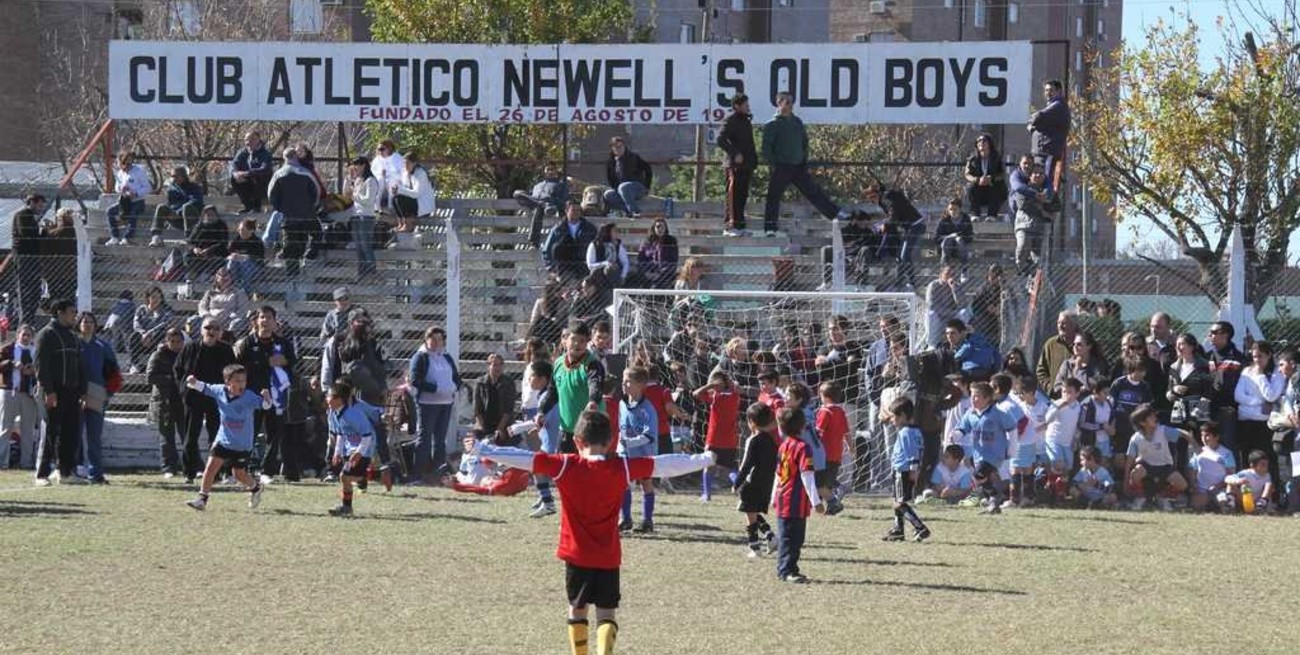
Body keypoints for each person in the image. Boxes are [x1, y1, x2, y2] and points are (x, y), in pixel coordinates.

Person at [467, 410, 713, 654]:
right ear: (610, 442)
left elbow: (525, 458)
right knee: (606, 612)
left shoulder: (565, 465)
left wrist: (483, 449)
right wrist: (704, 459)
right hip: (608, 556)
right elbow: (665, 465)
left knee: (577, 609)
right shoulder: (622, 467)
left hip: (576, 555)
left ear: (577, 441)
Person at [183, 364, 271, 510]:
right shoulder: (219, 391)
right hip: (223, 440)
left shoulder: (249, 396)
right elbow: (205, 388)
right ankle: (202, 499)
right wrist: (193, 382)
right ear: (227, 382)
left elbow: (266, 406)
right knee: (211, 468)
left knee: (238, 474)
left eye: (243, 380)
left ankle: (255, 488)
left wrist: (267, 397)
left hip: (242, 444)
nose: (241, 384)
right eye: (237, 380)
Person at [761, 92, 845, 236]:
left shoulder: (797, 122)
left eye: (791, 102)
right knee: (773, 197)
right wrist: (775, 163)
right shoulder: (772, 125)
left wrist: (803, 159)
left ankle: (835, 214)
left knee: (813, 191)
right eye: (786, 102)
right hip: (782, 166)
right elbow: (766, 149)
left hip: (798, 166)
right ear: (779, 103)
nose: (789, 105)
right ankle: (770, 228)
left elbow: (804, 142)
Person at [234, 306, 299, 483]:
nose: (265, 321)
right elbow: (239, 366)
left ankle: (267, 471)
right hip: (252, 396)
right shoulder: (247, 342)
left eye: (269, 317)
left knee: (274, 434)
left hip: (276, 396)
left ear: (275, 321)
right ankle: (241, 469)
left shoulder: (283, 343)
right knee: (248, 433)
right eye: (262, 317)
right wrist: (265, 362)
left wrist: (283, 361)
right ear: (256, 320)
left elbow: (292, 363)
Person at [175, 317, 236, 483]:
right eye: (208, 327)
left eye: (216, 328)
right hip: (193, 398)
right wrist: (184, 390)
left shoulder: (226, 350)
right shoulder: (190, 348)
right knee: (191, 437)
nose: (212, 331)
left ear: (220, 332)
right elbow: (178, 370)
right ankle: (189, 473)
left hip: (217, 399)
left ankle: (215, 473)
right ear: (201, 330)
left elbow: (233, 373)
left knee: (217, 437)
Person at [33, 300, 85, 486]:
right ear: (60, 313)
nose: (75, 315)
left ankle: (64, 472)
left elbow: (79, 366)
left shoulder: (72, 336)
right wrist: (49, 391)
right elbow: (41, 367)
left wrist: (82, 392)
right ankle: (41, 474)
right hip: (53, 391)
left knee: (70, 433)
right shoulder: (46, 335)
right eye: (72, 312)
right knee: (50, 433)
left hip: (72, 393)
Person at [772, 407, 825, 583]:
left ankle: (791, 568)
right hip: (793, 500)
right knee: (791, 538)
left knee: (793, 537)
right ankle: (785, 571)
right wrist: (816, 500)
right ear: (803, 426)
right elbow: (806, 475)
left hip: (784, 499)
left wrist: (773, 497)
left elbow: (778, 474)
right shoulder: (803, 447)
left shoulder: (783, 446)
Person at [537, 322, 605, 455]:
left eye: (582, 341)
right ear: (565, 340)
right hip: (567, 430)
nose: (577, 344)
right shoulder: (558, 364)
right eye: (574, 339)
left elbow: (595, 385)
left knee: (589, 472)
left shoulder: (592, 364)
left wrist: (592, 401)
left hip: (591, 430)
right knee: (565, 471)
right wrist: (541, 411)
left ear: (587, 343)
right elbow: (553, 392)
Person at [951, 381, 1017, 514]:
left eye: (977, 396)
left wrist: (1012, 448)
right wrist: (955, 436)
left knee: (978, 476)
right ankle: (994, 501)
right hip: (978, 455)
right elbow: (963, 429)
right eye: (972, 396)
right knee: (980, 478)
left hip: (995, 454)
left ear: (987, 399)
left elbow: (1012, 428)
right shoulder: (970, 413)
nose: (973, 399)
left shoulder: (997, 413)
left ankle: (994, 497)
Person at [408, 326, 461, 482]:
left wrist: (454, 387)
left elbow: (456, 378)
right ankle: (417, 474)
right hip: (427, 404)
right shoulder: (420, 357)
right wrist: (435, 388)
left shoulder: (447, 357)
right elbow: (415, 380)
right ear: (426, 339)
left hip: (446, 404)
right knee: (424, 440)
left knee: (440, 441)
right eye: (433, 338)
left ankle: (438, 474)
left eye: (439, 339)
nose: (436, 342)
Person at [1233, 340, 1284, 488]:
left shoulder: (1275, 374)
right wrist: (1258, 403)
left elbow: (1271, 396)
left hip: (1264, 424)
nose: (1257, 360)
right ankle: (1246, 492)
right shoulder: (1247, 371)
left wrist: (1261, 376)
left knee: (1267, 458)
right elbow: (1238, 396)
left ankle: (1272, 494)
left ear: (1269, 355)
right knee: (1246, 457)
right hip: (1245, 421)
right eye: (1254, 356)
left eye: (1260, 356)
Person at [325, 378, 378, 516]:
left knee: (345, 477)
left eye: (331, 397)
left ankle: (346, 507)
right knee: (348, 477)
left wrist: (360, 452)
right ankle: (377, 475)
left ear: (340, 399)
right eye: (328, 396)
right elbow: (341, 434)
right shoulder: (336, 413)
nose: (328, 399)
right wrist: (337, 452)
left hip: (364, 450)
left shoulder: (352, 414)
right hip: (352, 449)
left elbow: (367, 435)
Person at [77, 312, 119, 484]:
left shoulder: (103, 346)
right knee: (75, 433)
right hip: (75, 393)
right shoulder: (73, 344)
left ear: (95, 325)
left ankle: (96, 473)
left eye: (90, 322)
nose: (87, 325)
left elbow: (114, 373)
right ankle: (75, 469)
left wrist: (107, 393)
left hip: (96, 393)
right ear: (78, 324)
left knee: (94, 435)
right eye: (84, 321)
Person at [881, 397, 931, 541]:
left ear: (902, 416)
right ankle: (898, 530)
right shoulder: (916, 431)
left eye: (894, 416)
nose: (892, 420)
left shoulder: (906, 433)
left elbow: (912, 453)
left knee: (899, 503)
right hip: (903, 470)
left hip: (903, 471)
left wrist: (913, 470)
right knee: (897, 501)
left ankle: (920, 527)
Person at [1124, 405, 1191, 511]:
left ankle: (1163, 497)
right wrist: (1126, 481)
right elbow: (1129, 460)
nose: (1155, 418)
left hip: (1165, 467)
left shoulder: (1163, 430)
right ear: (1142, 423)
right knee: (1135, 473)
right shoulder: (1135, 438)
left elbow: (1183, 434)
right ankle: (1141, 498)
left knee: (1182, 484)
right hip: (1147, 468)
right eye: (1150, 417)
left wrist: (1196, 447)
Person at [616, 366, 659, 533]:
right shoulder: (622, 403)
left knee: (646, 483)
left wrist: (630, 442)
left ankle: (647, 521)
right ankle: (625, 518)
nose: (624, 384)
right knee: (623, 484)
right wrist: (622, 444)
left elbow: (650, 436)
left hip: (643, 454)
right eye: (623, 380)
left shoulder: (648, 409)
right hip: (625, 452)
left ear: (641, 385)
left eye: (628, 381)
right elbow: (622, 426)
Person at [267, 147, 320, 278]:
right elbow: (316, 193)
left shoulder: (278, 174)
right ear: (296, 157)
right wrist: (310, 207)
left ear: (284, 158)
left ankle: (292, 278)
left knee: (291, 248)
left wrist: (281, 208)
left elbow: (271, 195)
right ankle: (309, 256)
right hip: (307, 215)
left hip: (288, 217)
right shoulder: (306, 173)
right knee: (316, 234)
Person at [735, 402, 779, 557]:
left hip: (752, 482)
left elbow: (747, 465)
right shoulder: (772, 442)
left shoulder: (752, 440)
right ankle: (771, 537)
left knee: (749, 514)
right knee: (751, 511)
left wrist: (737, 482)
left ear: (751, 422)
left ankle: (754, 547)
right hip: (766, 482)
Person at [866, 180, 925, 290]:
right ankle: (900, 282)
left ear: (877, 194)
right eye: (870, 199)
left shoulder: (886, 198)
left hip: (915, 226)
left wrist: (886, 225)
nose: (872, 201)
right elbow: (894, 216)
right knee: (900, 256)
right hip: (910, 228)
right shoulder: (888, 197)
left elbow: (893, 215)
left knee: (904, 255)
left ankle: (911, 283)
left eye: (872, 197)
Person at [694, 370, 741, 502]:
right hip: (730, 439)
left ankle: (706, 494)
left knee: (708, 466)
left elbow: (696, 393)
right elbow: (736, 388)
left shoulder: (715, 397)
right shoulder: (735, 396)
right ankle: (741, 487)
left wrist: (710, 386)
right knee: (730, 468)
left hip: (714, 438)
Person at [147, 328, 186, 478]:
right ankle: (169, 468)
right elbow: (150, 377)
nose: (176, 344)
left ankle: (192, 465)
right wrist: (171, 379)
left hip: (182, 401)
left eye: (179, 341)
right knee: (167, 437)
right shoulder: (158, 355)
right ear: (166, 341)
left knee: (187, 435)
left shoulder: (186, 355)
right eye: (172, 341)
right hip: (164, 401)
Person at [0, 325, 39, 471]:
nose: (26, 337)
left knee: (28, 430)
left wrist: (33, 371)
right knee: (5, 428)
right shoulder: (8, 348)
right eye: (24, 334)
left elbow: (43, 371)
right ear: (18, 335)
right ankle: (2, 462)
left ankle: (26, 462)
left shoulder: (36, 351)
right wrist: (11, 363)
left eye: (29, 335)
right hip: (10, 392)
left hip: (29, 394)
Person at [717, 93, 757, 236]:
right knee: (733, 195)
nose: (748, 107)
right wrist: (735, 153)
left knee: (742, 195)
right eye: (745, 105)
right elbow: (720, 139)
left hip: (746, 165)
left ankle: (740, 225)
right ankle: (730, 226)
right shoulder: (730, 120)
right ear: (737, 106)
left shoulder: (746, 121)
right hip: (734, 166)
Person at [1203, 321, 1246, 452]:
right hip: (1208, 410)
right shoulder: (1207, 357)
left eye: (1214, 333)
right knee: (1208, 449)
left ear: (1225, 335)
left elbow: (1231, 385)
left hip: (1228, 411)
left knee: (1228, 449)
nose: (1210, 335)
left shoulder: (1237, 358)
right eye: (1210, 333)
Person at [1028, 79, 1071, 192]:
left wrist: (1032, 124)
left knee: (1045, 182)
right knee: (1039, 183)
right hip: (1043, 153)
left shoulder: (1058, 105)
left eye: (1051, 90)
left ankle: (1049, 203)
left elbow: (1039, 116)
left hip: (1048, 153)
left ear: (1059, 91)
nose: (1048, 93)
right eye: (1046, 90)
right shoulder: (1053, 106)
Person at [542, 199, 599, 283]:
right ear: (566, 211)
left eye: (578, 210)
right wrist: (551, 268)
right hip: (563, 268)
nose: (576, 212)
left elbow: (597, 247)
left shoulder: (590, 228)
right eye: (573, 210)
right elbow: (547, 250)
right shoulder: (557, 229)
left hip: (583, 266)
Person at [514, 163, 570, 248]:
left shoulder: (561, 184)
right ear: (544, 171)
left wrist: (553, 202)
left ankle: (534, 241)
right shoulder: (538, 185)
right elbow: (530, 195)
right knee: (517, 193)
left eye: (552, 169)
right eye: (548, 169)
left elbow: (563, 200)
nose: (550, 171)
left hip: (548, 206)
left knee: (538, 209)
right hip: (535, 202)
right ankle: (542, 204)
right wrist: (540, 202)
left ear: (556, 171)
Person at [145, 167, 204, 246]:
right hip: (177, 219)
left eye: (175, 176)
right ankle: (156, 237)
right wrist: (173, 213)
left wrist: (179, 212)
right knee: (161, 207)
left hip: (192, 219)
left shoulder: (194, 187)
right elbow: (171, 204)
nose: (173, 178)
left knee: (187, 207)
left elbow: (196, 201)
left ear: (183, 176)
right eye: (172, 176)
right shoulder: (171, 189)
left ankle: (189, 238)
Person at [12, 194, 47, 325]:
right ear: (32, 202)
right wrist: (41, 232)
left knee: (33, 290)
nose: (41, 208)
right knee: (27, 289)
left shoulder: (29, 217)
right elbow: (26, 235)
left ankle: (28, 319)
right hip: (25, 257)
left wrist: (42, 233)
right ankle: (25, 321)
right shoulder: (23, 216)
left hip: (30, 257)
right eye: (40, 205)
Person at [1011, 163, 1051, 277]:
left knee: (1039, 258)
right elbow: (1023, 204)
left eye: (1041, 173)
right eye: (1035, 173)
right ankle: (1021, 271)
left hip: (1040, 228)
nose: (1038, 175)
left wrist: (1046, 207)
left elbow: (1054, 205)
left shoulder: (1047, 191)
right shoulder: (1023, 188)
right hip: (1024, 225)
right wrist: (1041, 209)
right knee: (1023, 247)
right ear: (1030, 175)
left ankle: (1034, 277)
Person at [815, 381, 850, 511]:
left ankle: (834, 501)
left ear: (824, 396)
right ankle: (831, 504)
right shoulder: (840, 411)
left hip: (823, 454)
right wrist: (852, 448)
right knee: (826, 481)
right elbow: (847, 432)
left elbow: (818, 433)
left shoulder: (825, 411)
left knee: (818, 482)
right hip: (836, 453)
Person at [1189, 421, 1236, 511]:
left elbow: (1231, 475)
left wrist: (1218, 486)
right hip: (1201, 490)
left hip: (1219, 490)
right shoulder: (1198, 452)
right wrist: (1194, 486)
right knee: (1195, 506)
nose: (1204, 439)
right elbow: (1192, 470)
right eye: (1202, 436)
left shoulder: (1226, 453)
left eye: (1207, 436)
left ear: (1216, 437)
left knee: (1224, 505)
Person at [473, 353, 518, 445]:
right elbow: (477, 409)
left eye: (500, 365)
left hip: (503, 422)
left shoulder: (509, 382)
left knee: (505, 438)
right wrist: (482, 428)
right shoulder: (479, 382)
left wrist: (500, 429)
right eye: (494, 365)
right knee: (477, 437)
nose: (497, 368)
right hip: (485, 422)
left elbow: (508, 409)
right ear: (488, 366)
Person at [107, 152, 151, 246]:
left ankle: (127, 237)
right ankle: (114, 237)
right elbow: (117, 187)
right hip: (124, 201)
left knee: (133, 213)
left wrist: (135, 193)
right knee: (110, 211)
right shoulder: (120, 173)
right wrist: (121, 189)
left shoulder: (139, 171)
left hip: (137, 201)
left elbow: (147, 187)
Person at [347, 157, 380, 279]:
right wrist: (349, 178)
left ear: (364, 165)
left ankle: (371, 273)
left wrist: (354, 196)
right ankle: (361, 274)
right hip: (356, 216)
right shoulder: (357, 180)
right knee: (359, 247)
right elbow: (347, 193)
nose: (355, 168)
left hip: (366, 217)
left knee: (366, 246)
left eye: (357, 165)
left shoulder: (371, 181)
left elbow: (368, 200)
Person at [191, 267, 248, 338]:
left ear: (231, 278)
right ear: (217, 278)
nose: (224, 278)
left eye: (226, 275)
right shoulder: (210, 292)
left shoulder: (239, 292)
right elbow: (202, 306)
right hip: (210, 319)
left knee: (236, 323)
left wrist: (230, 316)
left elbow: (242, 309)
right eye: (221, 275)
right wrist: (207, 315)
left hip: (229, 320)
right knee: (193, 320)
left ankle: (229, 343)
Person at [603, 137, 653, 217]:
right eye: (615, 147)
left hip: (637, 188)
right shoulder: (610, 162)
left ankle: (635, 211)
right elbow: (610, 179)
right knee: (608, 194)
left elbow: (648, 169)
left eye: (620, 147)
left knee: (623, 187)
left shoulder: (633, 157)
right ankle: (627, 210)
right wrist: (615, 188)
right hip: (621, 191)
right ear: (612, 148)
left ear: (624, 146)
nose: (618, 149)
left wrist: (647, 187)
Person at [1045, 378, 1083, 477]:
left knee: (1068, 467)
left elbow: (1076, 424)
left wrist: (1075, 439)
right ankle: (1048, 482)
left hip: (1067, 442)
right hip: (1054, 440)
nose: (1065, 394)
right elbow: (1047, 419)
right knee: (1058, 463)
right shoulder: (1057, 404)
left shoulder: (1078, 406)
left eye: (1069, 392)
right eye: (1063, 391)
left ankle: (1060, 488)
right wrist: (1059, 408)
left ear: (1077, 393)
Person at [964, 133, 1008, 219]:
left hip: (993, 188)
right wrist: (977, 180)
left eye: (984, 140)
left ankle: (992, 215)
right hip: (979, 188)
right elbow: (967, 174)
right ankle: (975, 214)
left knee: (999, 185)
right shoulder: (972, 159)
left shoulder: (996, 157)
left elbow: (1002, 174)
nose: (981, 143)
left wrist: (991, 178)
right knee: (970, 186)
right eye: (979, 141)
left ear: (989, 143)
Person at [230, 131, 274, 214]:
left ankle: (256, 207)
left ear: (258, 140)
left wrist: (248, 173)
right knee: (234, 179)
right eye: (246, 140)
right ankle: (248, 206)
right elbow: (234, 164)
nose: (248, 142)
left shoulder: (265, 154)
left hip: (261, 182)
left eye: (252, 139)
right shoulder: (243, 152)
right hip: (246, 180)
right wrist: (235, 173)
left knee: (257, 178)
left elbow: (265, 169)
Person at [1054, 330, 1107, 398]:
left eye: (1079, 344)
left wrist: (1079, 370)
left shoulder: (1098, 365)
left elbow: (1096, 386)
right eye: (1074, 344)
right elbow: (1057, 387)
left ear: (1089, 346)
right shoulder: (1067, 364)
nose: (1075, 347)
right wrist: (1071, 391)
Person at [586, 223, 629, 303]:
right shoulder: (594, 245)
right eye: (614, 231)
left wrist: (623, 276)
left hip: (614, 276)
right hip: (599, 276)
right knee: (597, 272)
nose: (617, 233)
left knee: (610, 270)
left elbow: (625, 262)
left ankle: (616, 292)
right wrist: (605, 263)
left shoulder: (617, 245)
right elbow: (590, 265)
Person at [184, 205, 230, 278]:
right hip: (200, 252)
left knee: (218, 258)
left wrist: (208, 250)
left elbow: (223, 243)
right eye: (207, 214)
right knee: (188, 256)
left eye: (211, 214)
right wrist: (195, 249)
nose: (209, 216)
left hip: (215, 252)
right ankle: (193, 276)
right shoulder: (200, 225)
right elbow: (190, 241)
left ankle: (211, 276)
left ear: (215, 214)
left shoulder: (221, 225)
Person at [934, 199, 974, 281]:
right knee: (947, 240)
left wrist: (958, 236)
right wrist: (949, 236)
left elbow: (970, 236)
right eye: (950, 209)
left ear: (960, 209)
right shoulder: (944, 220)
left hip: (960, 248)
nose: (952, 211)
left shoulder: (966, 219)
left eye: (955, 209)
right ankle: (945, 270)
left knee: (959, 240)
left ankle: (964, 271)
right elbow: (937, 237)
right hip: (947, 249)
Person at [636, 218, 678, 289]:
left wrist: (659, 274)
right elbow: (640, 259)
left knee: (656, 287)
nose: (660, 229)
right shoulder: (647, 241)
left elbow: (673, 261)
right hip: (648, 274)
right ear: (654, 228)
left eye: (662, 227)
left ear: (665, 228)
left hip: (665, 275)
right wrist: (648, 273)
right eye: (658, 226)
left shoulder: (671, 241)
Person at [225, 218, 265, 295]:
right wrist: (232, 256)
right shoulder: (236, 240)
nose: (240, 232)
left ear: (251, 231)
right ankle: (233, 290)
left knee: (246, 264)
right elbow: (227, 253)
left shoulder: (257, 241)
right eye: (239, 230)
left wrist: (243, 257)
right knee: (231, 262)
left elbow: (258, 258)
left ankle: (245, 294)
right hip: (237, 267)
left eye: (243, 230)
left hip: (255, 268)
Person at [925, 266, 961, 349]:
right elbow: (931, 305)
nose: (950, 277)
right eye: (947, 274)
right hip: (937, 317)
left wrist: (954, 289)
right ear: (941, 275)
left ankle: (958, 343)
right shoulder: (933, 285)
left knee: (962, 313)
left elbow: (961, 304)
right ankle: (932, 345)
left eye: (952, 275)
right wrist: (948, 312)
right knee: (931, 314)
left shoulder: (955, 286)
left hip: (950, 317)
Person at [969, 264, 1004, 345]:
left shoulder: (1001, 288)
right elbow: (991, 308)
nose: (995, 279)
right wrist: (1000, 312)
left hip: (994, 319)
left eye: (997, 276)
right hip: (983, 318)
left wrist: (1000, 311)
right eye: (993, 276)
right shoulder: (984, 288)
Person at [394, 151, 436, 220]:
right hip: (414, 204)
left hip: (423, 207)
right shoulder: (405, 173)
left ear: (414, 163)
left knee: (400, 199)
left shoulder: (421, 173)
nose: (405, 166)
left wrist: (400, 190)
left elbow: (416, 194)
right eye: (404, 163)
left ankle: (408, 224)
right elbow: (404, 189)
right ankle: (401, 223)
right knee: (395, 198)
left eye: (408, 163)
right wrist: (396, 189)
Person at [370, 140, 405, 212]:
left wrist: (390, 173)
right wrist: (380, 173)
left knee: (392, 183)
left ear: (389, 148)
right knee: (378, 181)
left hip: (395, 179)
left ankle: (391, 206)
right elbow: (372, 172)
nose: (380, 151)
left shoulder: (397, 158)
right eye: (379, 149)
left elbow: (403, 173)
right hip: (381, 179)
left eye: (382, 149)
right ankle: (376, 207)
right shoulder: (377, 159)